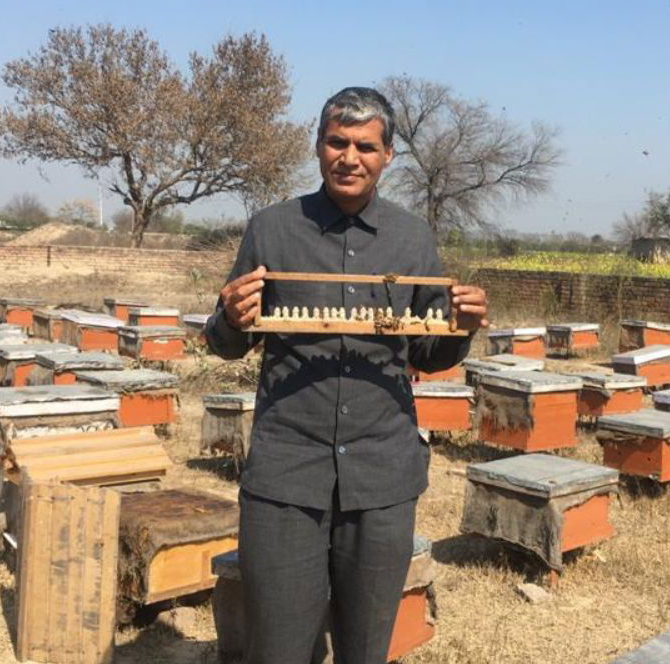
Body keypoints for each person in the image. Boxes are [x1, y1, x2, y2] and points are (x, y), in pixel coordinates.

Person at [204, 86, 489, 664]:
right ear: (317, 147)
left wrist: (461, 327)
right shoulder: (273, 228)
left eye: (365, 145)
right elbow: (226, 342)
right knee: (278, 646)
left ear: (388, 156)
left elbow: (430, 355)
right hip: (287, 473)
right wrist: (229, 318)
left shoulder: (412, 238)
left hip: (381, 476)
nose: (349, 157)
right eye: (337, 142)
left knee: (366, 647)